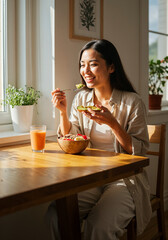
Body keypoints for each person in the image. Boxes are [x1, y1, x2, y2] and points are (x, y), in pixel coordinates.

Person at [47, 39, 152, 240]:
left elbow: (139, 152)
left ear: (111, 67)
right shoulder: (81, 99)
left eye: (93, 64)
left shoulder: (133, 102)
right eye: (82, 65)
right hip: (92, 176)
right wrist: (62, 113)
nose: (85, 70)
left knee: (98, 226)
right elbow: (73, 139)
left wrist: (113, 123)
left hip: (124, 179)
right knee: (55, 215)